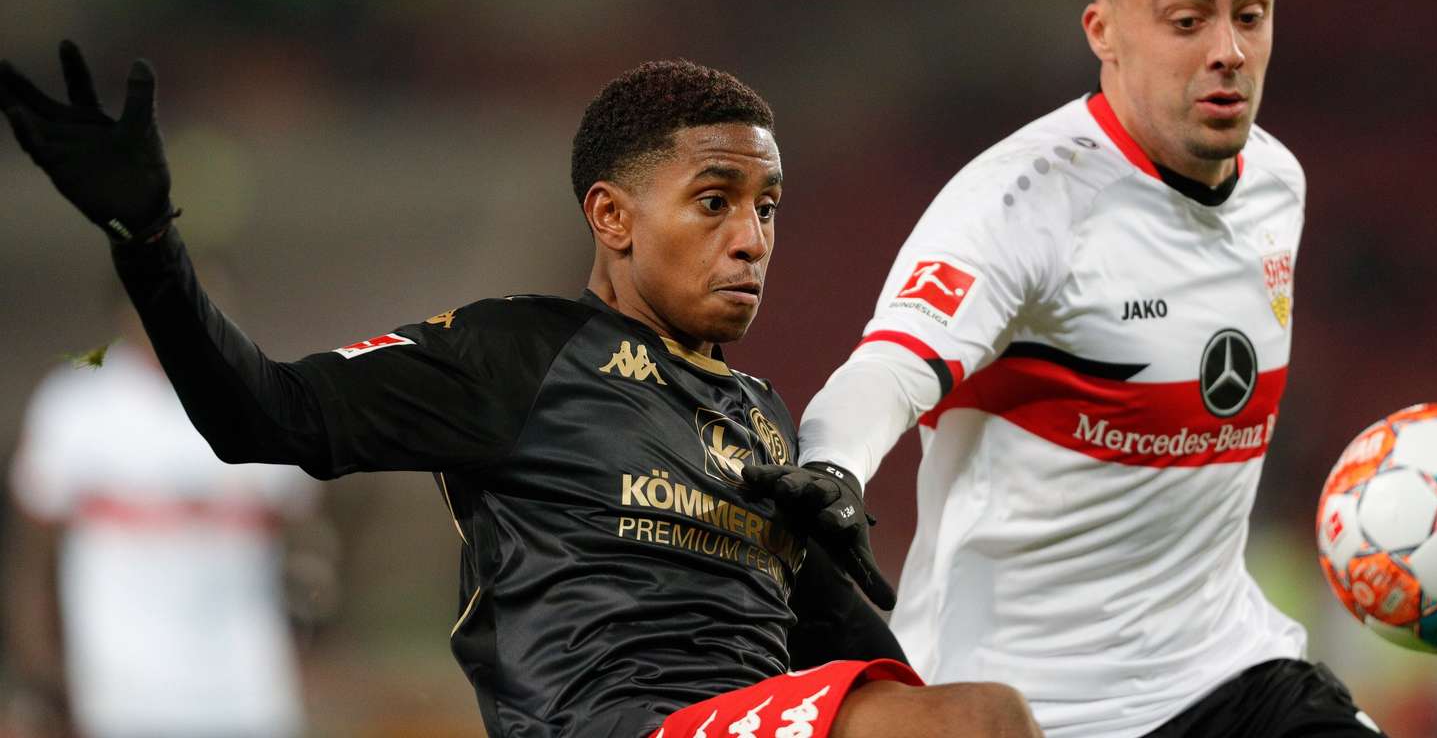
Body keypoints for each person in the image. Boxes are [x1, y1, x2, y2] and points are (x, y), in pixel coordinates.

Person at [0, 47, 1041, 738]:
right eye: (715, 201)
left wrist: (836, 571)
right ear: (613, 217)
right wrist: (149, 240)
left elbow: (838, 638)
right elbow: (261, 413)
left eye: (767, 207)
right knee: (982, 720)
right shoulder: (515, 354)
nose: (751, 239)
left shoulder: (761, 418)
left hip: (746, 715)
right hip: (614, 725)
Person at [747, 0, 1388, 737]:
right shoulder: (1019, 202)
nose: (1229, 50)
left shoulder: (1278, 181)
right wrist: (833, 465)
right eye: (1186, 19)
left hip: (1232, 673)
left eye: (1251, 13)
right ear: (1103, 32)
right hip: (1031, 705)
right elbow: (892, 365)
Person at [5, 299, 322, 738]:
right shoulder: (76, 403)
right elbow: (34, 551)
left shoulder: (264, 393)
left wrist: (311, 635)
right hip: (126, 682)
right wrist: (36, 664)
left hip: (246, 678)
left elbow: (308, 535)